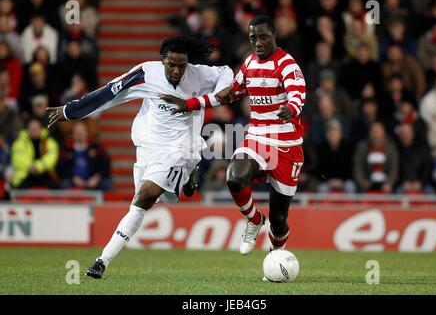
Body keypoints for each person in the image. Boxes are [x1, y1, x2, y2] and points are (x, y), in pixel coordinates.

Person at [46, 36, 233, 279]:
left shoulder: (199, 74)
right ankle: (190, 170)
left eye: (182, 66)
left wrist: (205, 99)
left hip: (177, 148)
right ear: (162, 60)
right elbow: (109, 93)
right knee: (162, 197)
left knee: (143, 198)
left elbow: (225, 72)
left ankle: (102, 261)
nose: (177, 71)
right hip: (148, 146)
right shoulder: (146, 73)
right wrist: (70, 111)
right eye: (171, 65)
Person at [161, 16, 307, 260]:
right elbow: (228, 95)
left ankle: (276, 257)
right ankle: (253, 219)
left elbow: (298, 94)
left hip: (287, 145)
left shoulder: (287, 65)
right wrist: (191, 103)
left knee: (279, 219)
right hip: (258, 136)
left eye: (263, 37)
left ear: (274, 35)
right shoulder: (249, 64)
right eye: (253, 38)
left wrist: (291, 109)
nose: (258, 43)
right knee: (235, 178)